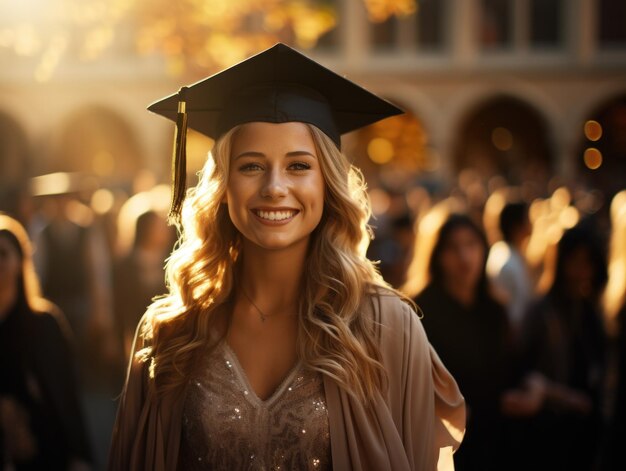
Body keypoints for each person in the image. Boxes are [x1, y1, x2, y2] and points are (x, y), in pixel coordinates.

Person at [108, 43, 465, 470]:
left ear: (327, 183)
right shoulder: (171, 331)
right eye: (251, 166)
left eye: (298, 166)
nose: (275, 187)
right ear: (223, 186)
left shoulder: (386, 327)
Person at [404, 212, 516, 471]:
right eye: (453, 248)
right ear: (437, 255)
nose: (465, 257)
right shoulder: (417, 312)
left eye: (471, 244)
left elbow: (506, 368)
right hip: (444, 450)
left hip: (496, 441)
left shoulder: (494, 309)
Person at [502, 221, 608, 471]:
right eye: (575, 261)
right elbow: (520, 372)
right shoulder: (541, 312)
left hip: (584, 434)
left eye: (588, 263)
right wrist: (564, 397)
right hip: (548, 434)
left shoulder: (591, 312)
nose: (581, 271)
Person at [0, 213, 93, 470]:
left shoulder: (44, 324)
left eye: (3, 253)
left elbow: (66, 393)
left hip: (47, 449)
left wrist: (79, 454)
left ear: (20, 261)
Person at [486, 201, 534, 334]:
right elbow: (513, 313)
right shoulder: (508, 263)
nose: (532, 224)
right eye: (528, 219)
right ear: (517, 225)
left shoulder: (503, 253)